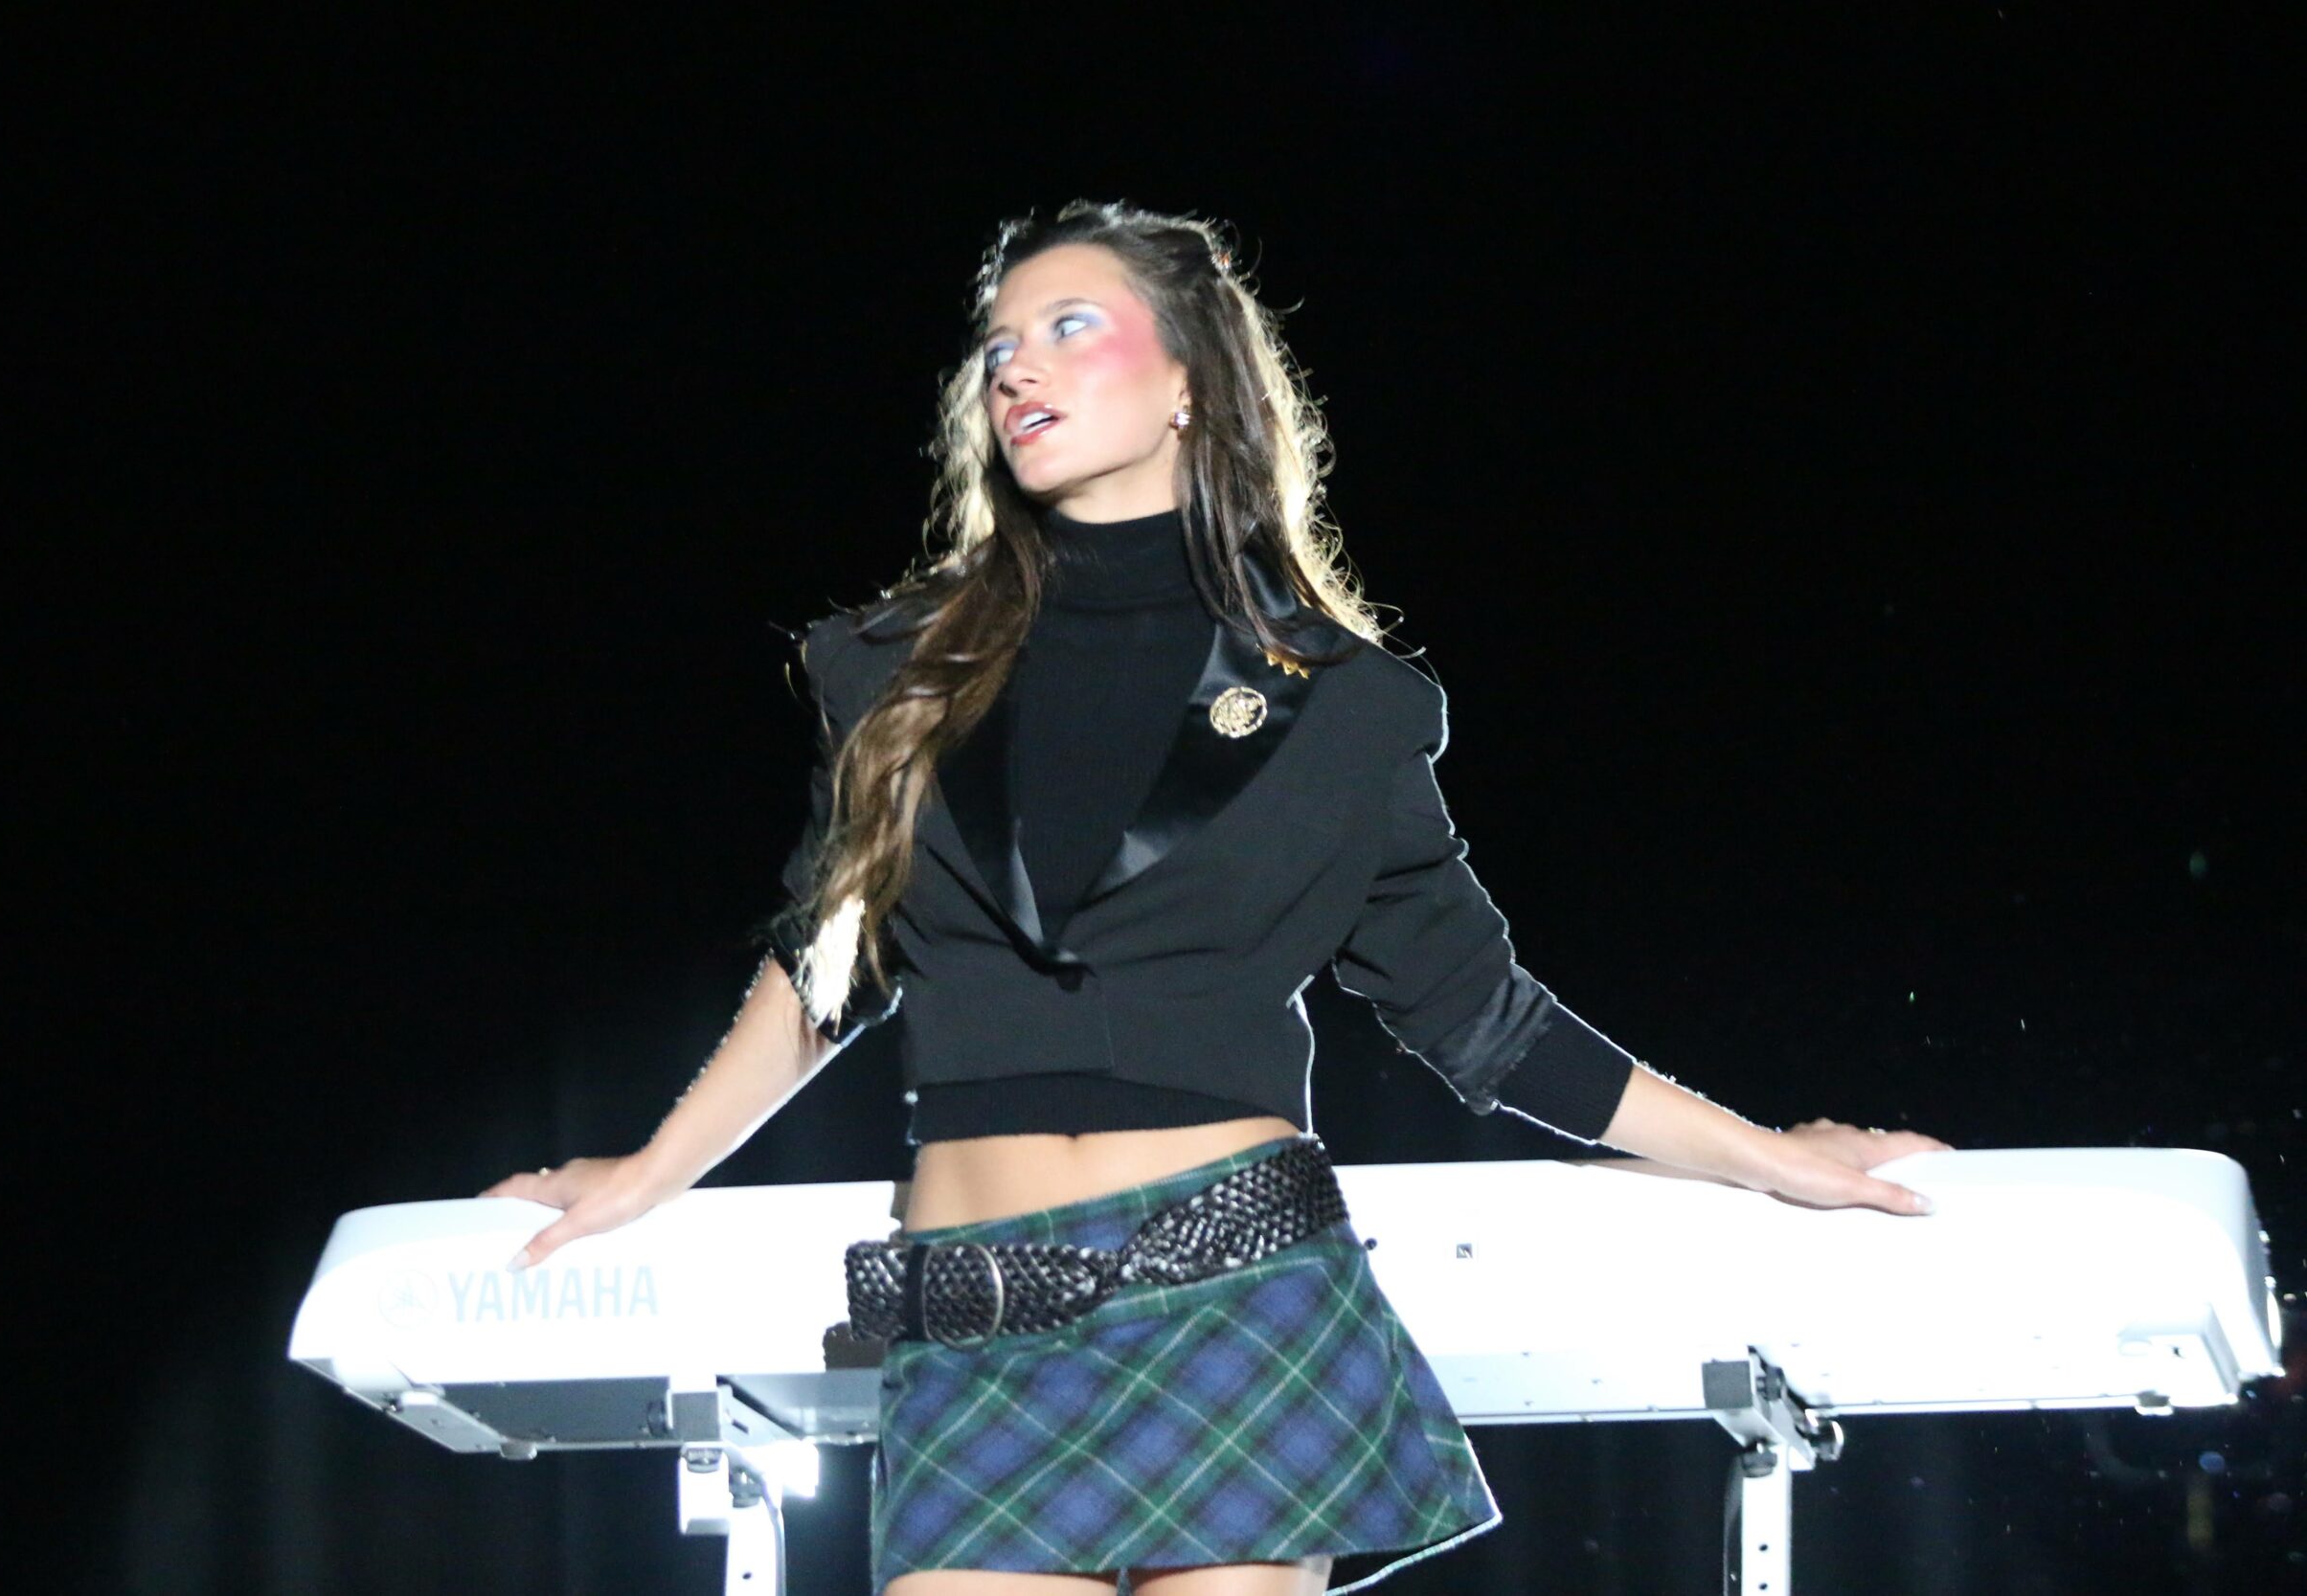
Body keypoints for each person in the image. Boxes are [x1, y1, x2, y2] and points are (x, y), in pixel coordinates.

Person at [481, 200, 1951, 1595]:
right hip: (973, 1315)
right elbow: (828, 959)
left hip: (1236, 1290)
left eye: (1069, 327)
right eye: (998, 347)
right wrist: (646, 1171)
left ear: (1189, 377)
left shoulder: (1342, 704)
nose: (1017, 370)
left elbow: (1475, 1013)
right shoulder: (891, 672)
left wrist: (1764, 1154)